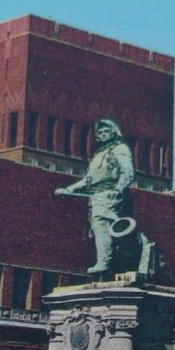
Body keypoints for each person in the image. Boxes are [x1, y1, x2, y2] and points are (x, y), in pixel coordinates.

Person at [54, 118, 137, 276]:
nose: (103, 134)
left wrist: (118, 189)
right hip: (96, 196)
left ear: (113, 133)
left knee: (101, 226)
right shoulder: (99, 154)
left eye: (107, 131)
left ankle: (104, 262)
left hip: (110, 194)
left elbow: (128, 171)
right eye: (100, 132)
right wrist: (69, 189)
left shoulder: (120, 149)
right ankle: (107, 260)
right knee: (97, 227)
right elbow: (88, 180)